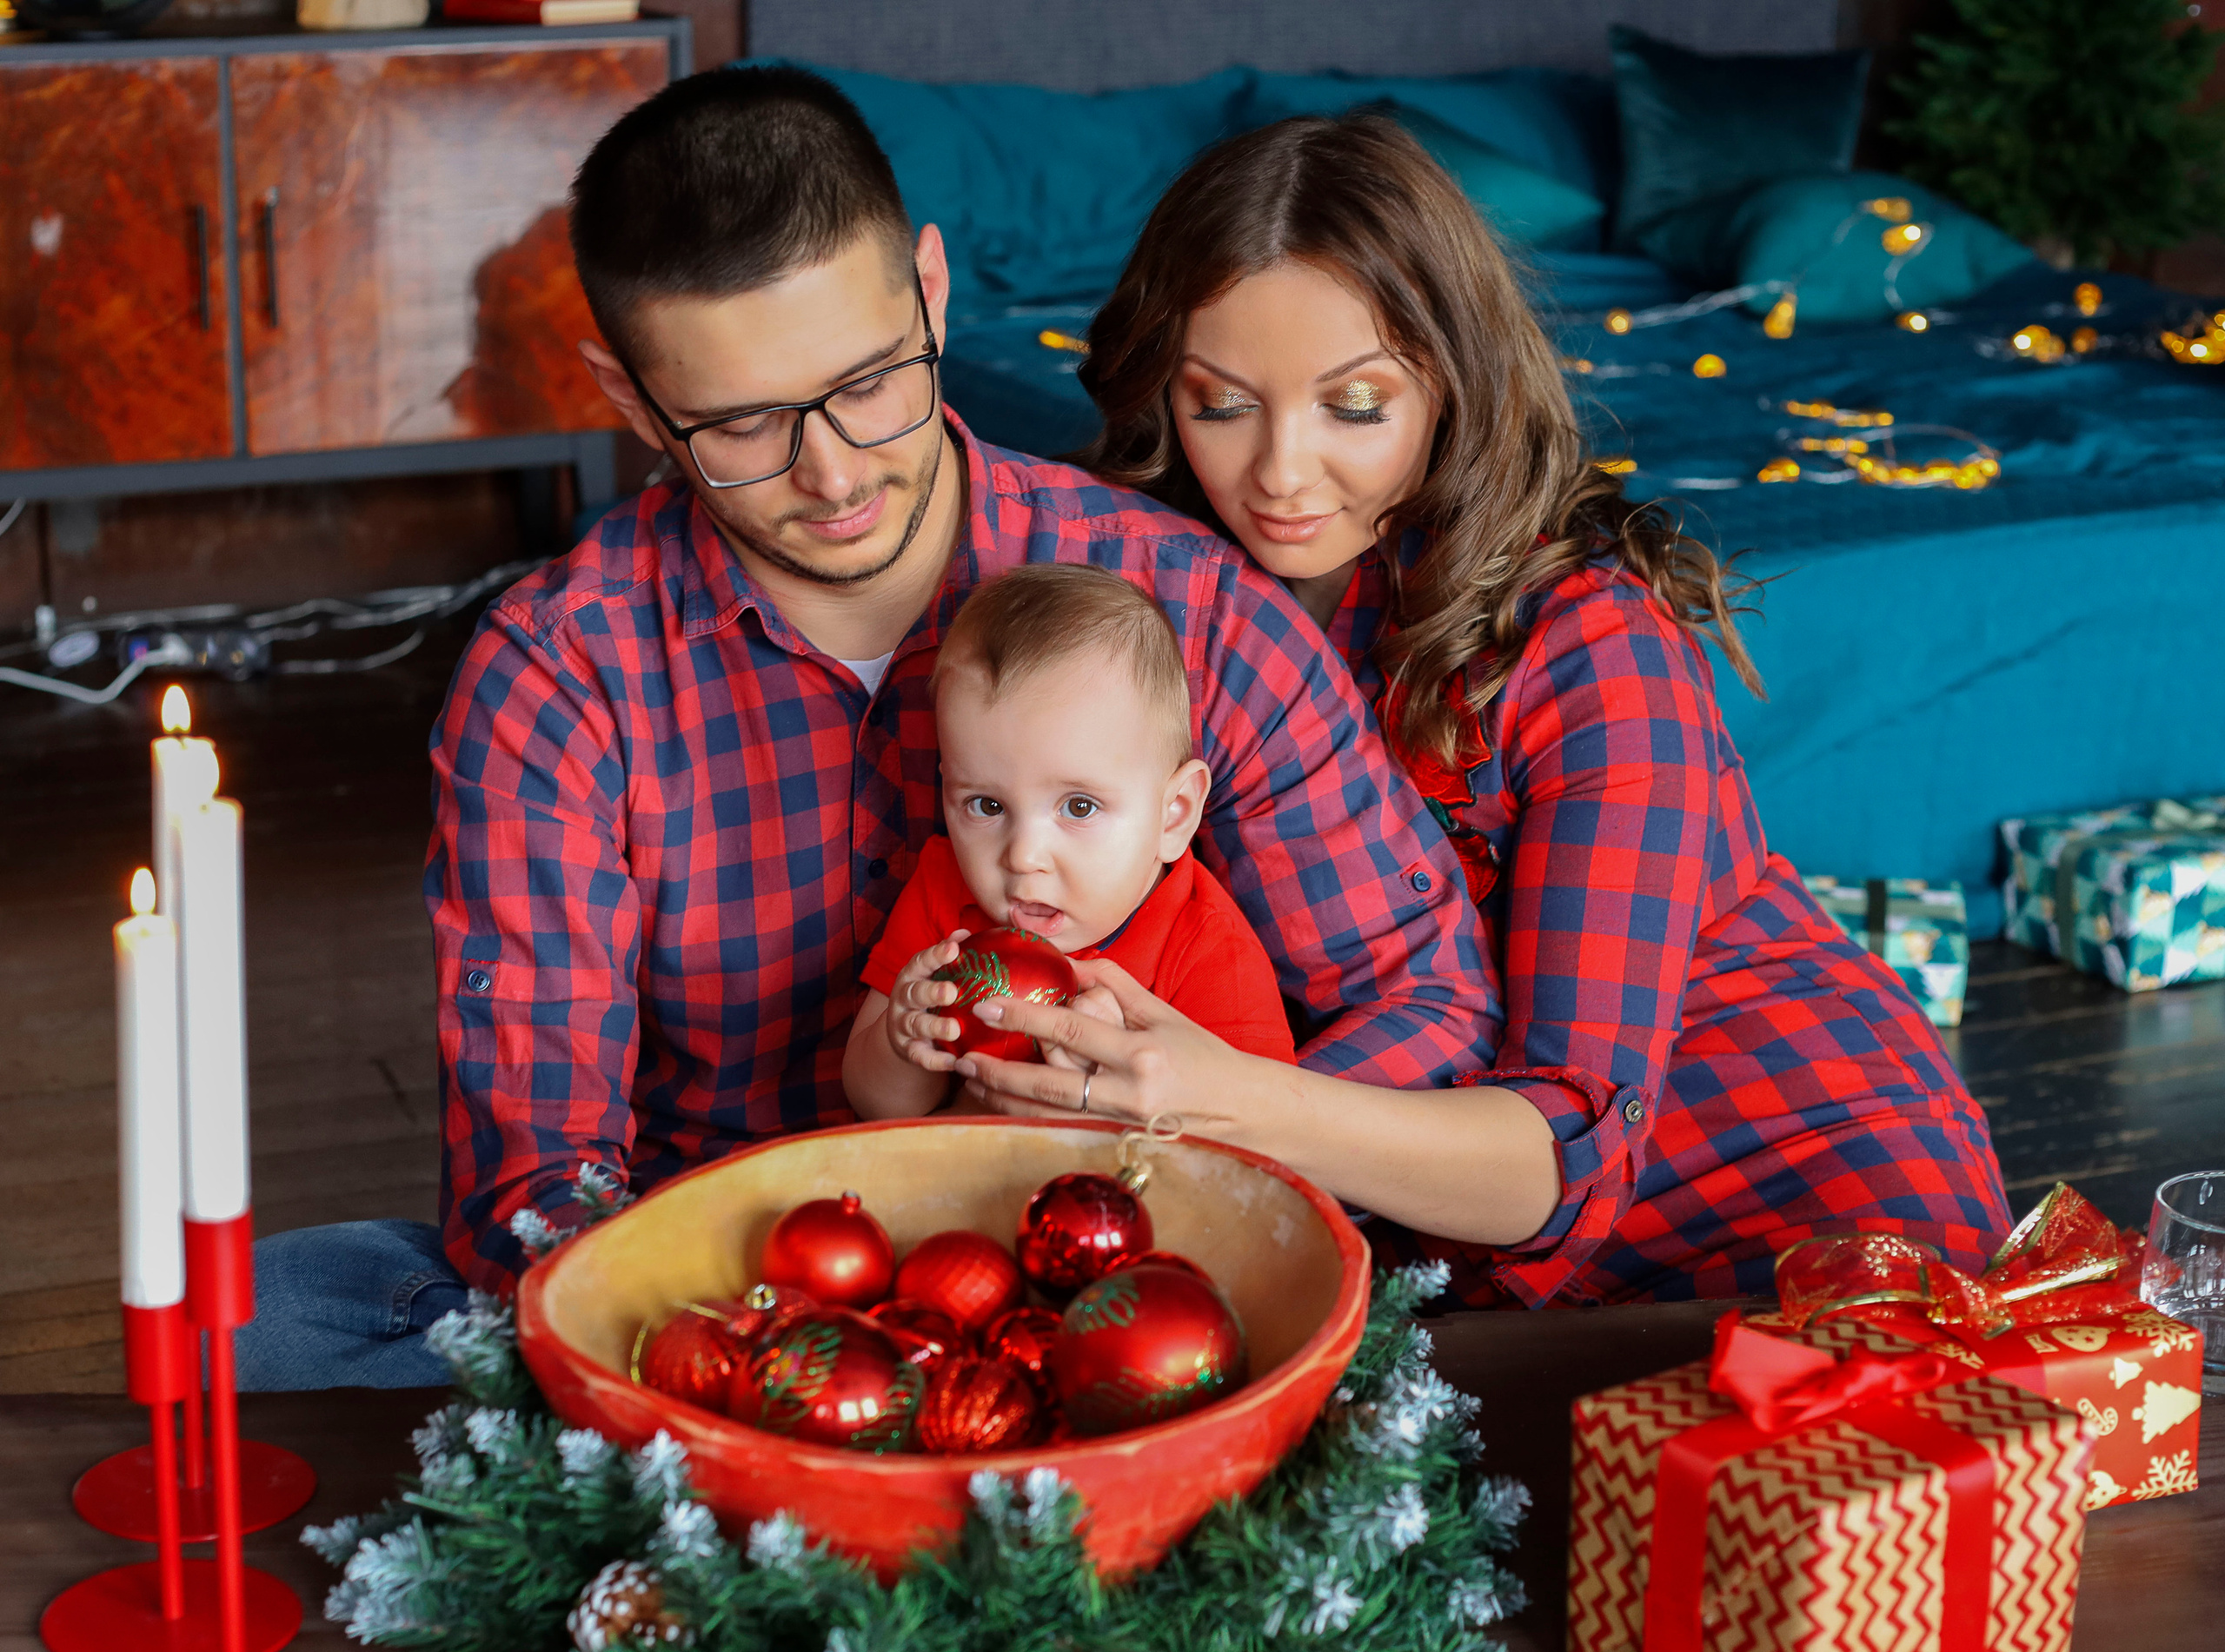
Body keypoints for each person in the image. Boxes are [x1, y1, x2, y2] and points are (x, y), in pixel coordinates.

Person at [234, 72, 1493, 1387]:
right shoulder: (558, 680)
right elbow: (540, 1181)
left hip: (1121, 1284)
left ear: (933, 293)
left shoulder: (1185, 610)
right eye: (742, 425)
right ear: (629, 397)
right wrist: (757, 1356)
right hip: (729, 1294)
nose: (832, 473)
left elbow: (1428, 1002)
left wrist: (1198, 1168)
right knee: (265, 1323)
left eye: (870, 383)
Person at [954, 113, 2011, 1304]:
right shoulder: (1148, 615)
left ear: (1453, 384)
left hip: (1799, 1195)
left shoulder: (1588, 646)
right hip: (1396, 1216)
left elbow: (1563, 1152)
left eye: (1355, 407)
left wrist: (1225, 1103)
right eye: (1220, 404)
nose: (1282, 472)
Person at [847, 562, 1296, 1122]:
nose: (1023, 857)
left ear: (1173, 815)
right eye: (987, 806)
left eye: (1078, 807)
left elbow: (1258, 1146)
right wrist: (903, 1044)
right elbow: (877, 1108)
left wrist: (1114, 1106)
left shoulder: (1208, 951)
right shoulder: (945, 898)